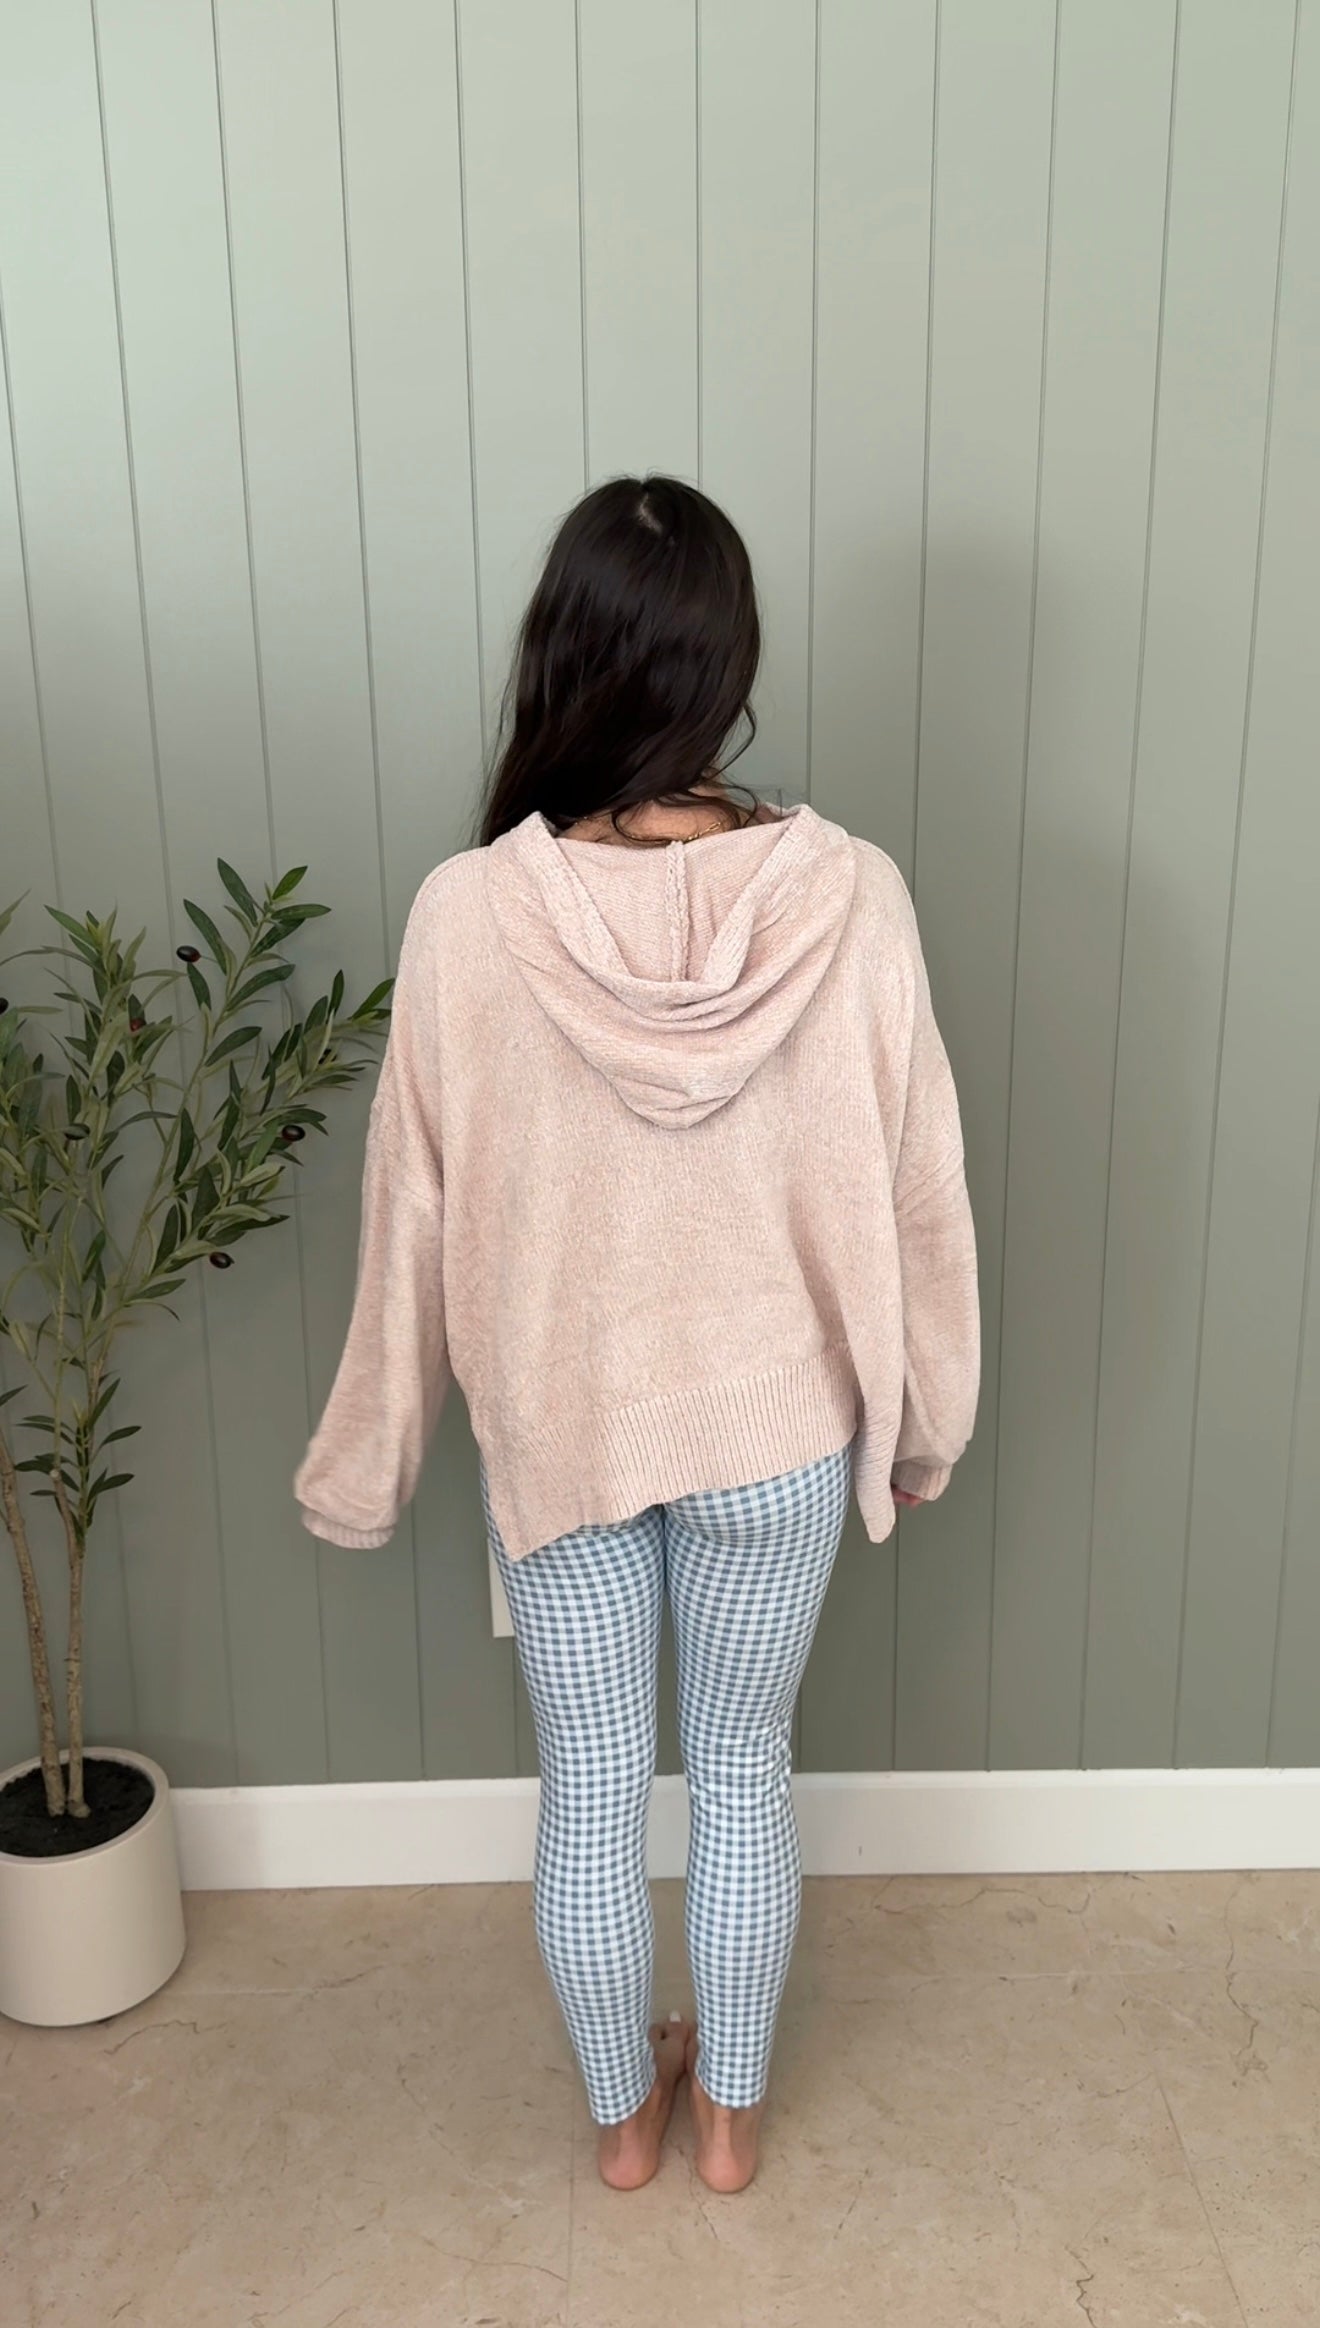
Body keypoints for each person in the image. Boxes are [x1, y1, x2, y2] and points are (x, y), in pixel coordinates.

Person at [294, 474, 980, 2195]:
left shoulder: (469, 915)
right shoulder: (854, 895)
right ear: (728, 662)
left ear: (561, 651)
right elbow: (923, 1193)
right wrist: (925, 1422)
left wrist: (367, 1466)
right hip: (780, 1437)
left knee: (592, 1790)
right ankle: (728, 2121)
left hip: (566, 1438)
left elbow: (409, 1216)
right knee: (743, 1772)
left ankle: (625, 2125)